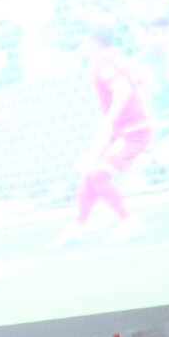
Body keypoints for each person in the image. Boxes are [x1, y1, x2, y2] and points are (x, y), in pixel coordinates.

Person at [49, 27, 154, 248]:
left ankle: (129, 221)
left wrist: (108, 121)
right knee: (90, 175)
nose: (80, 46)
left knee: (99, 175)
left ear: (93, 42)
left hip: (133, 132)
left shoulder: (103, 62)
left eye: (83, 41)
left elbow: (123, 90)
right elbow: (139, 83)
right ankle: (79, 225)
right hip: (125, 130)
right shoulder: (115, 59)